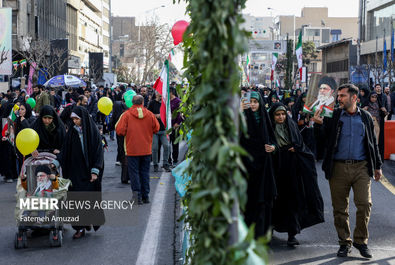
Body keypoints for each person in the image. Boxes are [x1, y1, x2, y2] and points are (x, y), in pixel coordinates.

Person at [313, 83, 382, 259]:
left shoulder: (365, 117)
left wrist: (378, 166)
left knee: (364, 204)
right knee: (340, 209)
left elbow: (373, 144)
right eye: (339, 96)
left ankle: (361, 241)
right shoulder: (334, 116)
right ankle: (344, 242)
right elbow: (323, 140)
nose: (339, 99)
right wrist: (319, 125)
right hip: (338, 167)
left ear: (354, 98)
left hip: (361, 167)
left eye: (343, 96)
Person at [268, 102, 324, 246]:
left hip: (291, 169)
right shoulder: (268, 128)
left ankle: (292, 234)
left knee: (292, 200)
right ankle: (269, 230)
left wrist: (297, 149)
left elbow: (301, 145)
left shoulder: (291, 125)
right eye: (277, 115)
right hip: (274, 168)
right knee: (273, 201)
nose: (281, 117)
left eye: (283, 114)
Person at [52, 106, 105, 239]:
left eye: (77, 119)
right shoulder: (71, 133)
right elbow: (64, 151)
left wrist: (95, 171)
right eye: (73, 119)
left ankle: (86, 222)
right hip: (74, 172)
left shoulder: (93, 132)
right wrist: (55, 163)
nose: (75, 121)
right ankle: (79, 227)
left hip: (88, 173)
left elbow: (99, 153)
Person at [240, 91, 277, 238]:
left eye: (256, 102)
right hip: (246, 166)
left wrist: (273, 147)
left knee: (263, 203)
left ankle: (261, 236)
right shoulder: (241, 118)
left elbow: (273, 139)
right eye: (251, 102)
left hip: (263, 168)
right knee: (248, 202)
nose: (253, 105)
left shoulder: (264, 117)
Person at [116, 95, 159, 205]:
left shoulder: (126, 115)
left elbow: (119, 130)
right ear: (143, 102)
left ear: (132, 102)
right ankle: (146, 196)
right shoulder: (150, 114)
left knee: (134, 173)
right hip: (146, 149)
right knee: (145, 173)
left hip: (132, 149)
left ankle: (137, 196)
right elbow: (156, 128)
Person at [148, 91, 171, 172]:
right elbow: (148, 114)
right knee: (154, 148)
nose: (162, 95)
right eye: (160, 93)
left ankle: (165, 163)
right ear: (157, 94)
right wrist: (156, 116)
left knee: (166, 146)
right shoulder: (152, 103)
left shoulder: (165, 103)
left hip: (163, 129)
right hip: (154, 130)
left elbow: (168, 114)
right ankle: (155, 164)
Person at [168, 87, 183, 166]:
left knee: (175, 143)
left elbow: (181, 113)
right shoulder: (166, 101)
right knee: (167, 144)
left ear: (171, 92)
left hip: (175, 126)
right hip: (167, 126)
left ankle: (175, 159)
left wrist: (178, 123)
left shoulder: (178, 101)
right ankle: (168, 160)